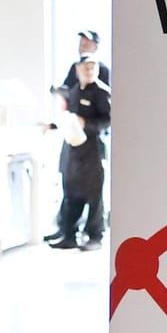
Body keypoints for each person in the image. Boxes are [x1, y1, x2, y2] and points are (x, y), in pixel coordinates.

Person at [50, 57, 110, 251]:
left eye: (93, 67)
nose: (89, 71)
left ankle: (94, 236)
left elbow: (107, 120)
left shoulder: (102, 93)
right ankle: (69, 234)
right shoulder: (74, 91)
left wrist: (88, 124)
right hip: (74, 151)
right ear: (77, 70)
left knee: (94, 196)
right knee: (71, 192)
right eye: (85, 68)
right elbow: (69, 117)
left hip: (93, 150)